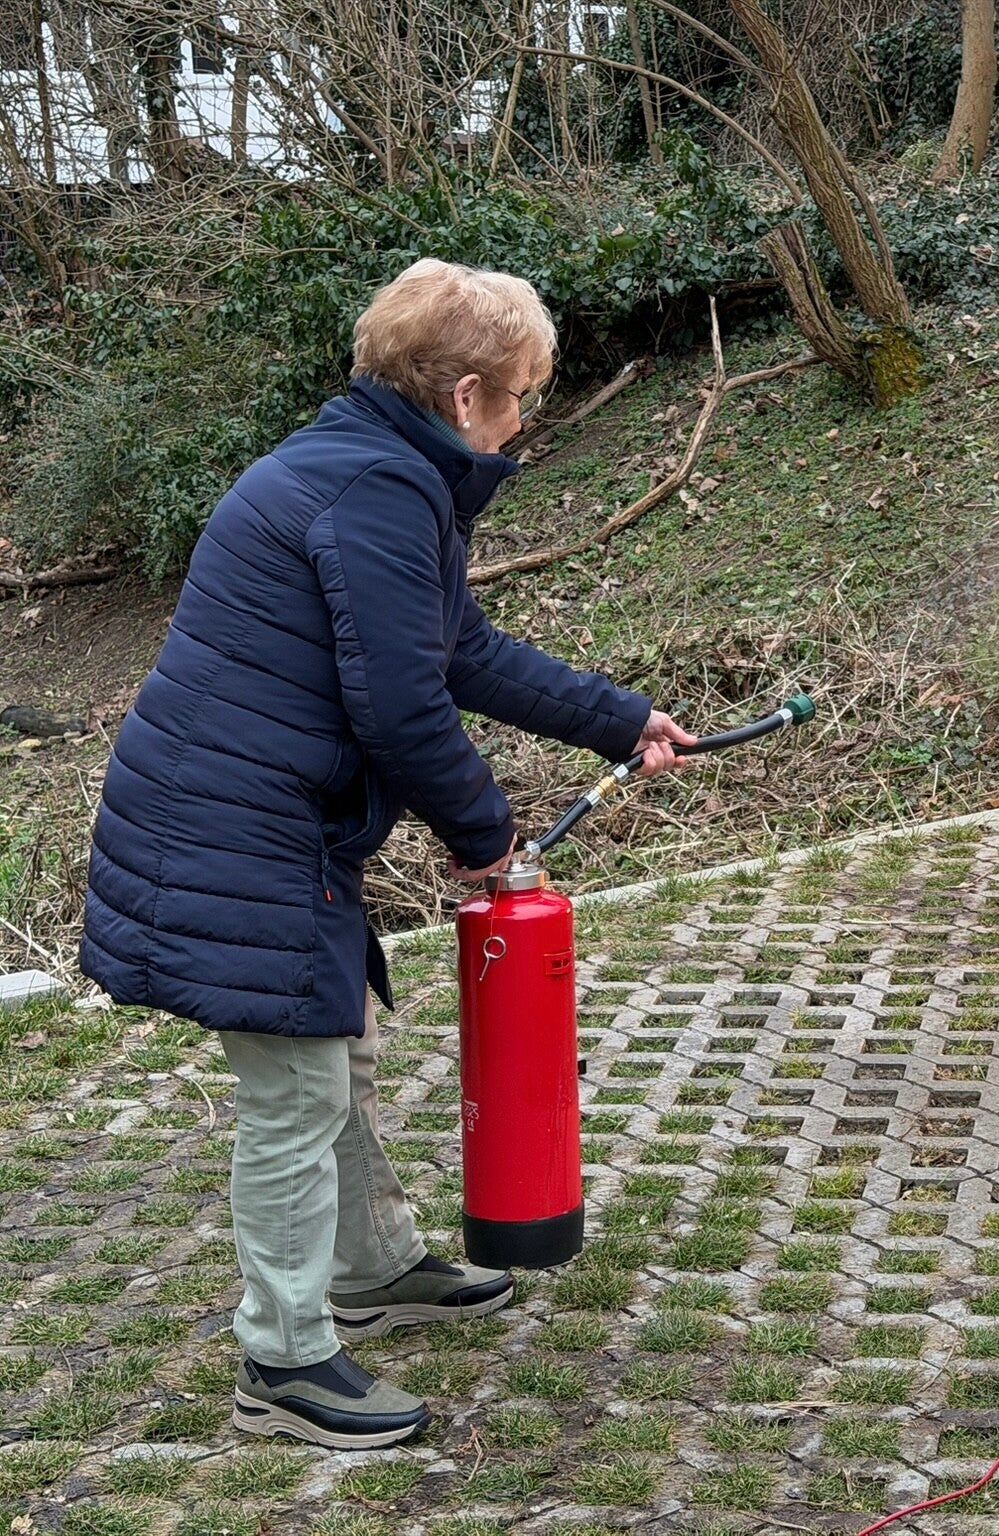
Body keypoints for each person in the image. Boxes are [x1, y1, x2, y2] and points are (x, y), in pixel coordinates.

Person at [79, 258, 696, 1451]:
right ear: (465, 396)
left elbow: (456, 647)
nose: (526, 421)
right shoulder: (374, 488)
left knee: (337, 1049)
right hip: (228, 824)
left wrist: (620, 716)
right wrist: (486, 834)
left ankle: (366, 1269)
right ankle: (283, 1357)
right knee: (297, 1089)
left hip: (260, 815)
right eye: (520, 397)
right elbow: (403, 708)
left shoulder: (378, 470)